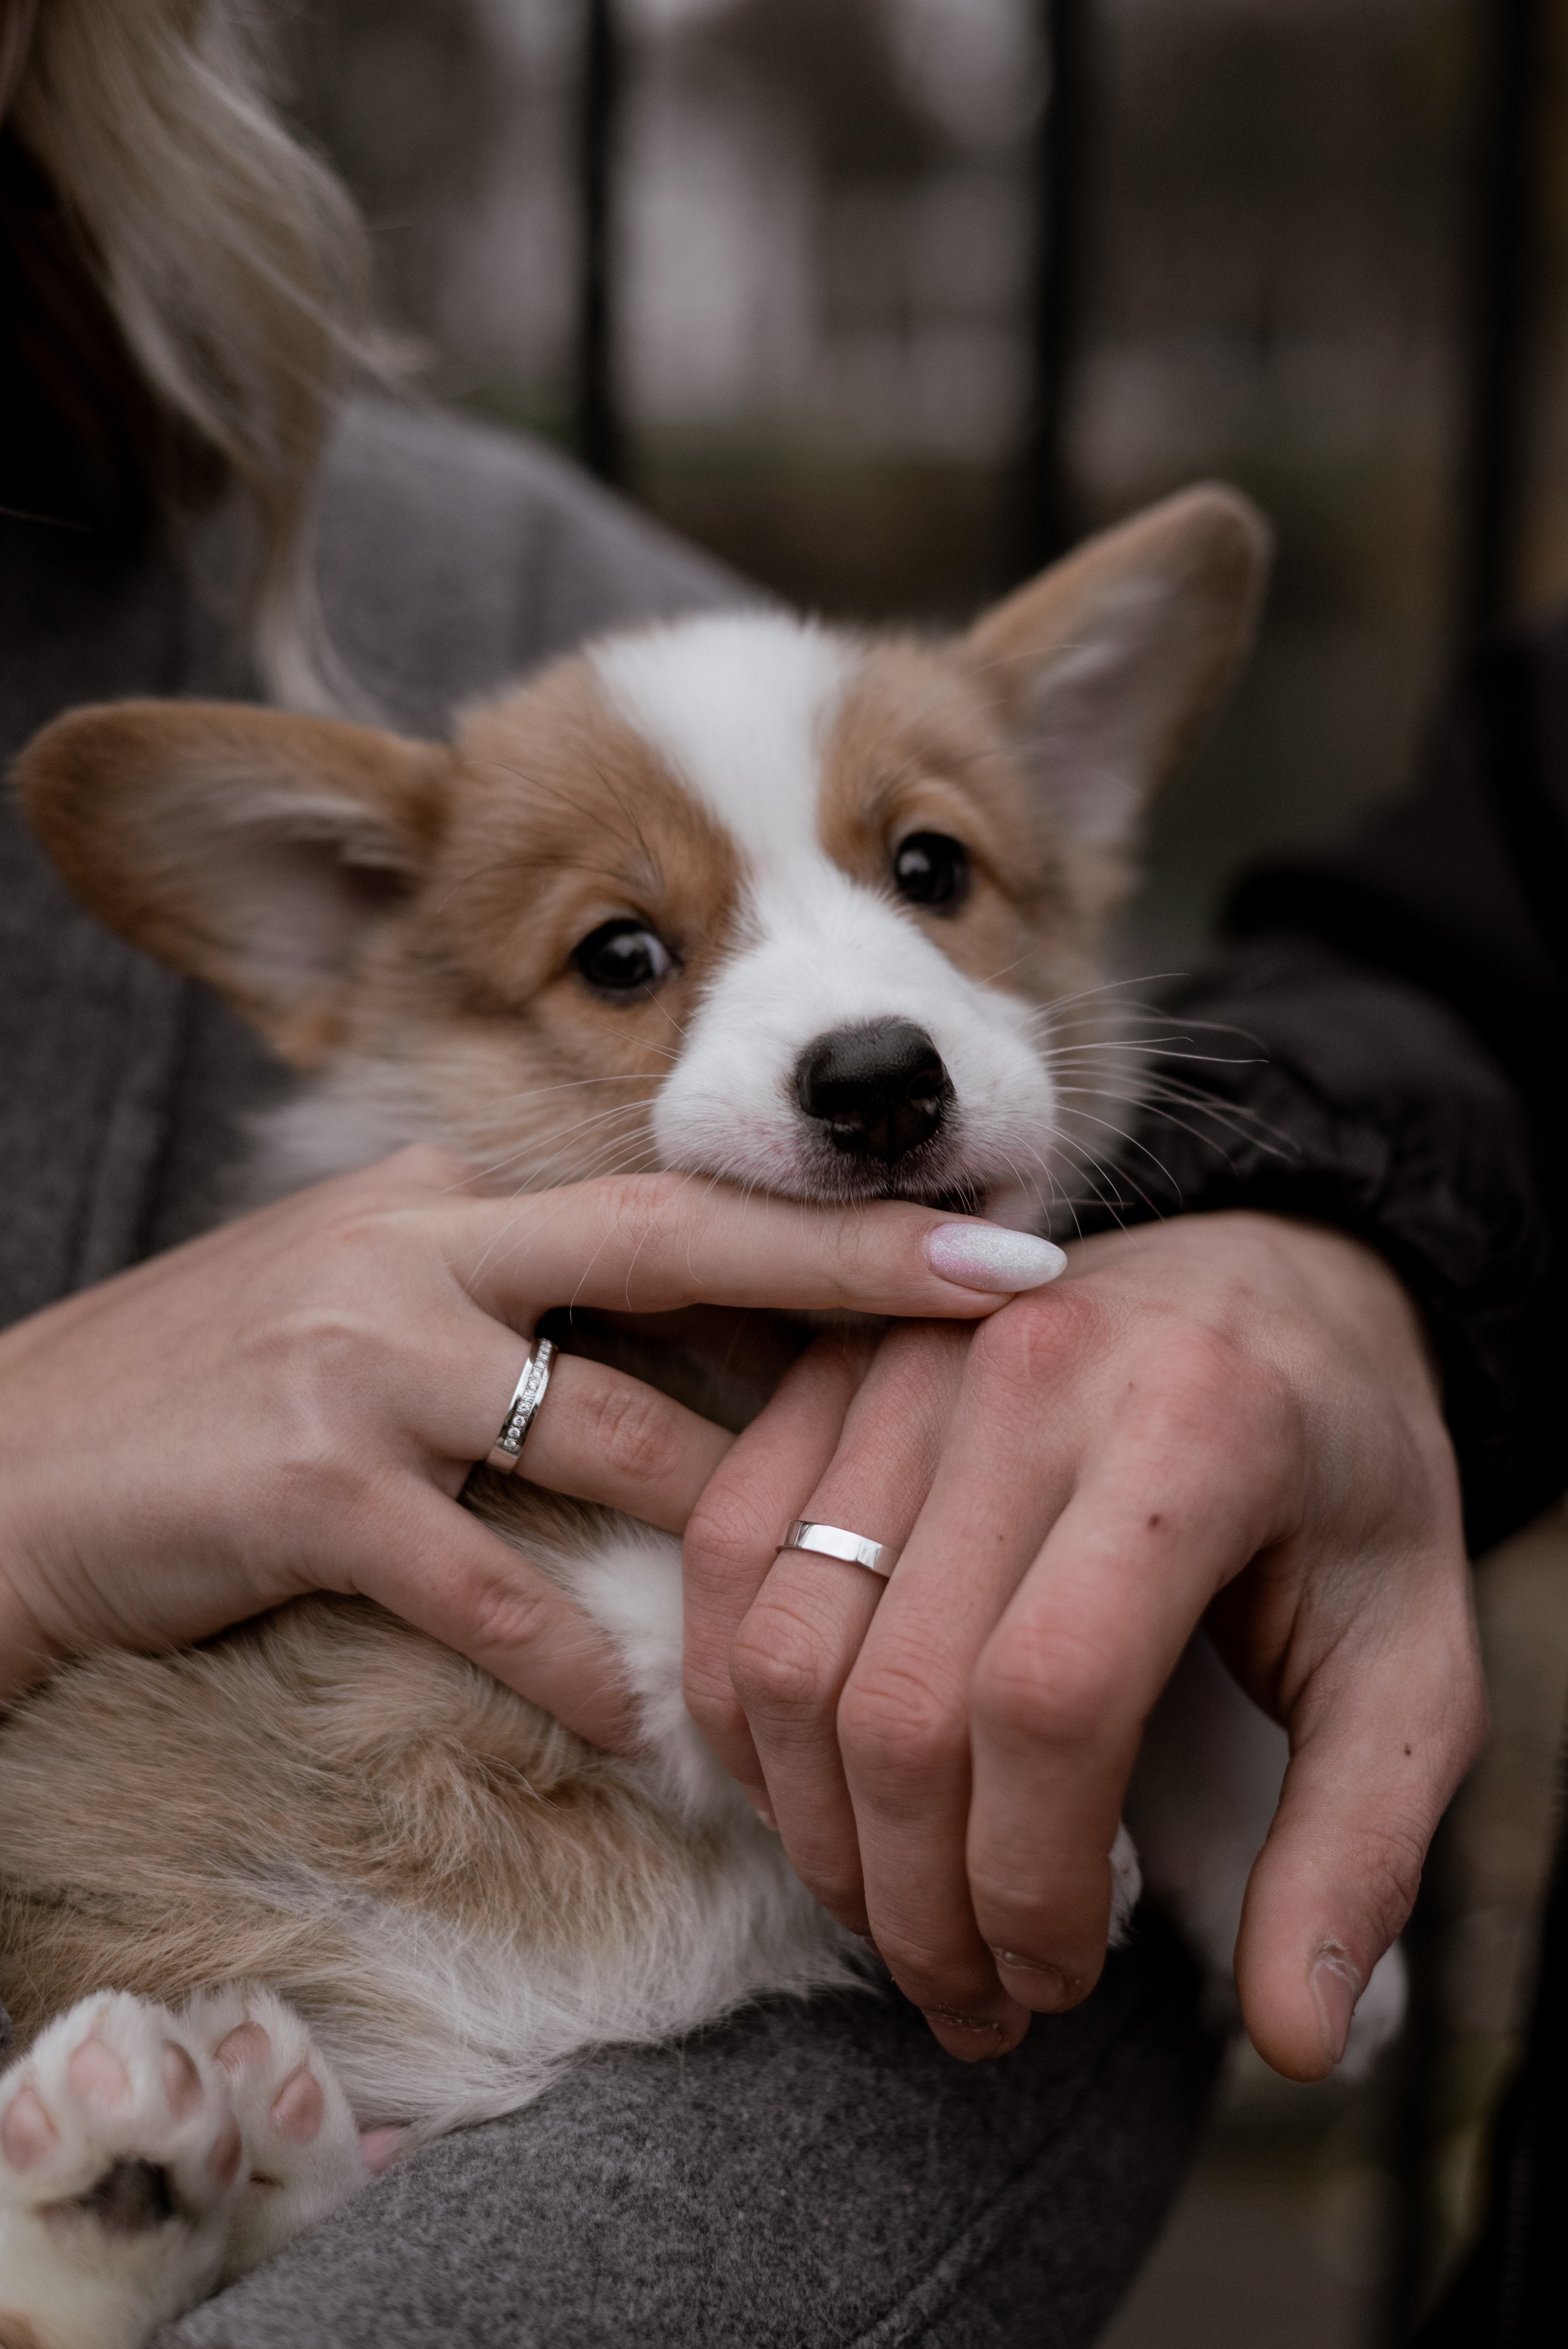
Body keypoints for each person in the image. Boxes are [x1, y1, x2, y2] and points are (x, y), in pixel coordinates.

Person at [0, 4, 1230, 2343]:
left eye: (933, 861)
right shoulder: (426, 868)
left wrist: (1276, 1289)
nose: (846, 1010)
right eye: (634, 952)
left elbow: (1045, 1949)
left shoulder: (488, 574)